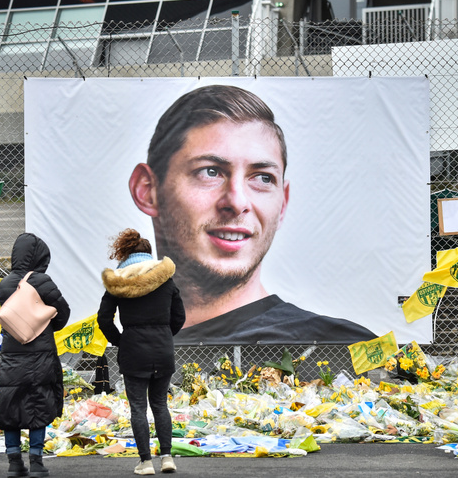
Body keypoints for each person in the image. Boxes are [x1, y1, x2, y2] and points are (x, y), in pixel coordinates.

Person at [129, 84, 376, 345]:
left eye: (262, 178)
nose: (237, 202)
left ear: (282, 205)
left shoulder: (345, 351)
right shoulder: (106, 347)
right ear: (147, 191)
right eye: (210, 172)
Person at [97, 229, 185, 475]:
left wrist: (120, 341)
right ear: (149, 255)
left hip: (133, 349)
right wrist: (165, 335)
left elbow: (104, 318)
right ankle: (167, 457)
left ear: (125, 254)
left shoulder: (118, 283)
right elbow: (180, 316)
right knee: (160, 404)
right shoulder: (166, 281)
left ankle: (145, 462)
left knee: (138, 407)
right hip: (162, 348)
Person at [0, 233, 70, 478]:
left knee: (11, 402)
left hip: (12, 353)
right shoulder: (41, 280)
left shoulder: (4, 283)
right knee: (39, 400)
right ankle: (36, 461)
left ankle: (14, 461)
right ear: (39, 257)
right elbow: (63, 311)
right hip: (40, 354)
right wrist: (45, 325)